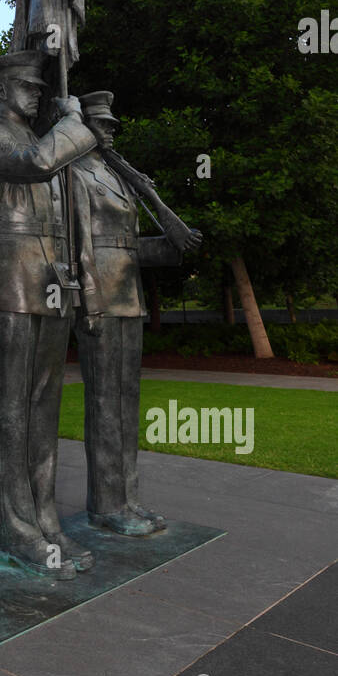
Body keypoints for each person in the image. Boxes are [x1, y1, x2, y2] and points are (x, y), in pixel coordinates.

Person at [0, 51, 97, 579]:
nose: (37, 93)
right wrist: (72, 122)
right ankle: (15, 529)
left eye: (40, 87)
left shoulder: (42, 140)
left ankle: (45, 520)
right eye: (26, 85)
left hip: (50, 277)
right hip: (9, 274)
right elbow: (37, 164)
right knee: (8, 409)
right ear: (0, 90)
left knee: (43, 408)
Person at [72, 91, 202, 535]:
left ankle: (127, 497)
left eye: (112, 125)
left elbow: (127, 247)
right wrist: (88, 299)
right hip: (101, 299)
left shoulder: (122, 178)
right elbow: (79, 247)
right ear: (84, 126)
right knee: (105, 404)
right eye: (102, 124)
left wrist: (171, 247)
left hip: (128, 297)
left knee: (127, 404)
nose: (109, 131)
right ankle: (107, 504)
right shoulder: (75, 174)